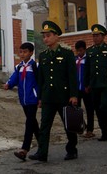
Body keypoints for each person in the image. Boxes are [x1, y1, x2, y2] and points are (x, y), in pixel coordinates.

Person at [28, 21, 79, 162]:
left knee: (69, 125)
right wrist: (40, 97)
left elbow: (72, 77)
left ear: (57, 37)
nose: (45, 39)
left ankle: (72, 150)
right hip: (48, 97)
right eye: (44, 36)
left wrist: (74, 95)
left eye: (48, 36)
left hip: (64, 96)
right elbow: (41, 79)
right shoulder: (43, 55)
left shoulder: (67, 54)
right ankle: (42, 152)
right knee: (44, 126)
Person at [3, 42, 40, 161]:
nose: (22, 54)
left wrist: (40, 98)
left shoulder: (35, 67)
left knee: (29, 123)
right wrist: (8, 84)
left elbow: (40, 83)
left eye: (25, 52)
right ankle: (43, 143)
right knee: (33, 123)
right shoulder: (19, 67)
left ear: (31, 53)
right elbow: (14, 78)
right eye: (21, 52)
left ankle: (25, 149)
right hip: (23, 99)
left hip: (32, 99)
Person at [74, 40, 95, 138]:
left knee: (89, 109)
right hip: (77, 89)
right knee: (76, 109)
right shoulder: (74, 59)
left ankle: (90, 130)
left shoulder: (88, 59)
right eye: (77, 51)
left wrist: (89, 85)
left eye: (81, 50)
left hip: (86, 88)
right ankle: (82, 126)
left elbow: (92, 74)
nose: (79, 53)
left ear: (84, 49)